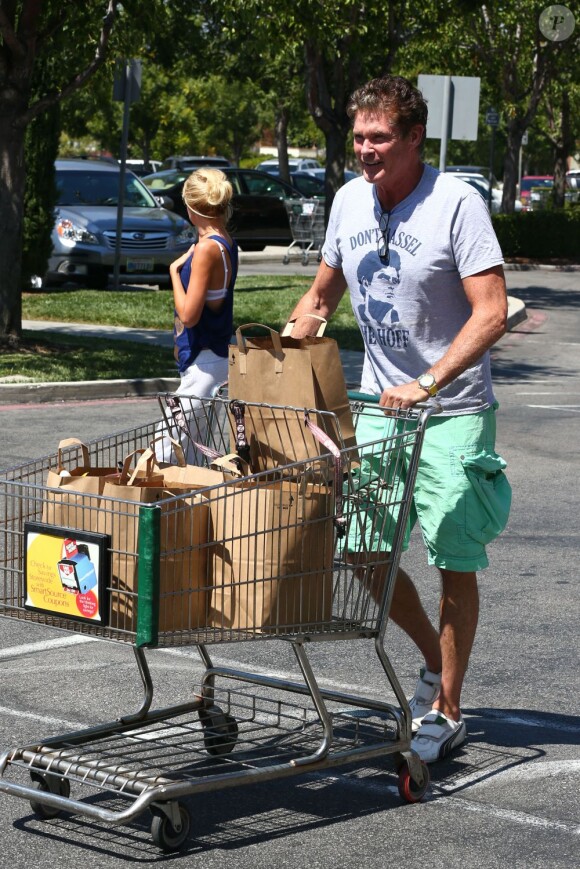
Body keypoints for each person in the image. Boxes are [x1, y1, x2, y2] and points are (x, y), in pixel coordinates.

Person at [288, 74, 511, 763]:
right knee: (362, 549)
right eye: (359, 136)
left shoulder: (457, 204)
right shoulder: (350, 199)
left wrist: (429, 379)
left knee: (452, 554)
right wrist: (280, 350)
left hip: (452, 410)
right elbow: (322, 296)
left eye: (380, 137)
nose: (365, 149)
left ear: (415, 138)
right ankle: (431, 664)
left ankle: (448, 703)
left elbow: (493, 309)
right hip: (378, 408)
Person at [157, 168, 238, 463]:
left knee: (164, 450)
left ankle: (162, 509)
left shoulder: (206, 248)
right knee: (192, 453)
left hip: (204, 363)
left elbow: (189, 315)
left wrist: (173, 274)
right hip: (215, 358)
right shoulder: (226, 240)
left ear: (191, 208)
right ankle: (190, 509)